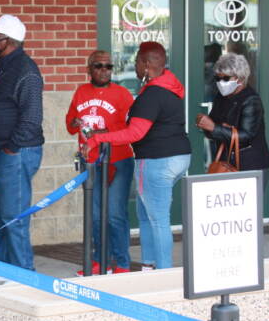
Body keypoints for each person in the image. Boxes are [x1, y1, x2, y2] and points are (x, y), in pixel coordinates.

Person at [83, 41, 191, 270]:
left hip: (157, 160)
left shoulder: (153, 93)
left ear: (145, 63)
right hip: (178, 157)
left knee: (158, 220)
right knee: (145, 214)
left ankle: (163, 272)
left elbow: (136, 132)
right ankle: (149, 265)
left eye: (136, 62)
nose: (135, 66)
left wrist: (98, 138)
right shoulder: (171, 87)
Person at [0, 14, 44, 271]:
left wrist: (10, 148)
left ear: (7, 41)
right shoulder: (2, 67)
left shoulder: (26, 71)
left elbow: (31, 118)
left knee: (13, 216)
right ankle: (7, 268)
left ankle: (24, 275)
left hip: (16, 152)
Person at [65, 50, 134, 275]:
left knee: (114, 213)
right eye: (98, 66)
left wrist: (104, 131)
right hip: (91, 161)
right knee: (94, 216)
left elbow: (131, 129)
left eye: (108, 66)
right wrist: (75, 121)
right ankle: (98, 261)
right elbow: (69, 125)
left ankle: (122, 263)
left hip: (119, 159)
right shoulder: (81, 92)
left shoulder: (123, 94)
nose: (104, 70)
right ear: (89, 69)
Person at [195, 53, 269, 185]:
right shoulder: (222, 96)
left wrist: (215, 127)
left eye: (225, 78)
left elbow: (246, 135)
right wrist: (207, 125)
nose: (220, 83)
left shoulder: (251, 100)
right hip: (226, 162)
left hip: (250, 164)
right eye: (217, 78)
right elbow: (213, 127)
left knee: (248, 205)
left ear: (240, 79)